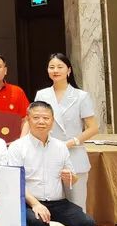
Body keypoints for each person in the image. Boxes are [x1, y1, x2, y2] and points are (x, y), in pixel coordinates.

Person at [5, 101, 103, 226]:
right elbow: (15, 181)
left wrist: (70, 177)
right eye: (36, 118)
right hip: (28, 201)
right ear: (28, 119)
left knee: (86, 223)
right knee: (39, 222)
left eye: (46, 118)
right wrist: (35, 204)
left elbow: (71, 176)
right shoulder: (17, 147)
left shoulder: (60, 147)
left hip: (58, 201)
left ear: (52, 121)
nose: (41, 122)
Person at [33, 53, 100, 212]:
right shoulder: (42, 95)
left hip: (74, 155)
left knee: (76, 206)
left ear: (68, 70)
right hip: (47, 156)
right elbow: (34, 122)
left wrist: (71, 142)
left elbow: (93, 128)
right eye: (51, 67)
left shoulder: (81, 96)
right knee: (49, 206)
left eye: (60, 67)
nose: (55, 70)